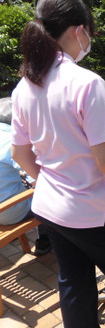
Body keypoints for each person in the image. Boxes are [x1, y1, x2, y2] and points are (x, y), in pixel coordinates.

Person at [10, 0, 105, 328]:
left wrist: (52, 180)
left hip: (49, 206)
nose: (89, 39)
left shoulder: (24, 86)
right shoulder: (86, 83)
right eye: (89, 32)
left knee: (74, 281)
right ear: (78, 30)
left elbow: (20, 153)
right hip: (92, 210)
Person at [0, 97, 51, 256]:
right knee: (48, 192)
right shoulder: (10, 140)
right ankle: (45, 240)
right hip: (8, 213)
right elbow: (37, 177)